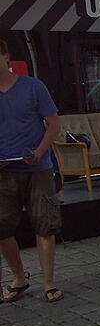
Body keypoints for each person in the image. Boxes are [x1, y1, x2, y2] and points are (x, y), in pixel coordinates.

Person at [0, 38, 63, 303]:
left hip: (37, 168)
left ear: (5, 56)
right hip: (2, 171)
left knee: (44, 224)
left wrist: (38, 152)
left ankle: (48, 282)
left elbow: (53, 125)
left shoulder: (33, 87)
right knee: (2, 228)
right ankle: (19, 278)